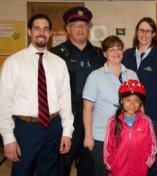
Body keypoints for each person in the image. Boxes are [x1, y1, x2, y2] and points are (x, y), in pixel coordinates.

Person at [0, 13, 74, 175]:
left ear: (50, 33)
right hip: (26, 129)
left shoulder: (59, 63)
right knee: (22, 172)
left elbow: (65, 100)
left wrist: (67, 132)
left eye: (46, 29)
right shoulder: (13, 62)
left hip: (53, 126)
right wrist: (8, 138)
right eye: (37, 28)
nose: (41, 32)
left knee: (49, 172)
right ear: (29, 31)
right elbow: (4, 103)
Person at [50, 6, 105, 176]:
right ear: (67, 29)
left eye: (84, 25)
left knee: (90, 165)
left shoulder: (100, 55)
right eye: (75, 25)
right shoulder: (55, 55)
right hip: (66, 119)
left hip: (93, 119)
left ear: (89, 29)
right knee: (61, 164)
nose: (80, 29)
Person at [83, 35, 138, 176]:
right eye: (111, 49)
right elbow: (87, 109)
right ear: (104, 53)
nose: (116, 53)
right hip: (102, 136)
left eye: (119, 48)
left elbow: (139, 104)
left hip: (128, 136)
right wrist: (88, 136)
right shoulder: (95, 76)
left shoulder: (132, 75)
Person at [122, 17, 157, 176]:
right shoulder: (127, 55)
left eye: (148, 31)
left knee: (150, 158)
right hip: (128, 114)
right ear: (136, 32)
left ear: (154, 34)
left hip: (152, 115)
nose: (144, 34)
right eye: (141, 30)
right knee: (130, 155)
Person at [103, 79, 157, 176]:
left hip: (140, 170)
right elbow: (108, 147)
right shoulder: (113, 122)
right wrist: (111, 165)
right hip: (118, 171)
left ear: (140, 102)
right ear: (121, 100)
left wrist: (146, 164)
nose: (132, 104)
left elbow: (152, 145)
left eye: (136, 101)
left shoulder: (146, 121)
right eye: (128, 100)